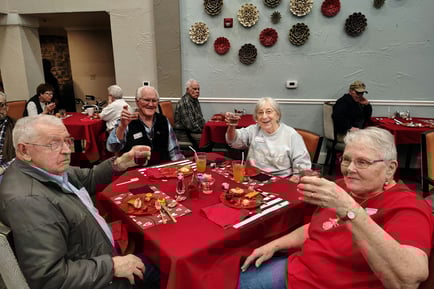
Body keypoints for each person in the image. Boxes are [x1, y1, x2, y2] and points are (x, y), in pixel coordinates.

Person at [239, 127, 433, 289]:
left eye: (362, 162)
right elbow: (316, 227)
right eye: (346, 159)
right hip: (298, 270)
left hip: (324, 284)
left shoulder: (408, 206)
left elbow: (409, 278)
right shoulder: (342, 187)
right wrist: (274, 245)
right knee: (231, 273)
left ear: (390, 168)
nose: (349, 169)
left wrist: (349, 209)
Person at [0, 114, 159, 289]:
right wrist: (112, 266)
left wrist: (121, 163)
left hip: (95, 254)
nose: (67, 150)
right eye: (54, 144)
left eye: (67, 141)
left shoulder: (44, 169)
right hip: (101, 278)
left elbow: (89, 178)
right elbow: (50, 278)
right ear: (24, 150)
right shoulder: (29, 201)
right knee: (164, 267)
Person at [225, 97, 311, 178]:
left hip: (281, 178)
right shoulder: (253, 130)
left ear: (277, 115)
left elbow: (302, 164)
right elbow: (233, 141)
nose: (264, 116)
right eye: (260, 112)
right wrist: (232, 126)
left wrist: (295, 179)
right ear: (256, 117)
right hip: (253, 176)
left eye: (269, 111)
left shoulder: (291, 135)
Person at [107, 85, 184, 165]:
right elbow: (113, 147)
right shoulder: (127, 121)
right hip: (135, 173)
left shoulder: (163, 120)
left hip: (162, 171)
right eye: (146, 100)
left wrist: (181, 168)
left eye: (154, 101)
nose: (150, 104)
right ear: (137, 102)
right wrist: (122, 127)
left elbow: (174, 151)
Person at [174, 79, 205, 147]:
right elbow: (190, 126)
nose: (197, 91)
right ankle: (203, 155)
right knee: (207, 140)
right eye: (194, 89)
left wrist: (205, 128)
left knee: (210, 136)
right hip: (184, 134)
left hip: (193, 132)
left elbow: (201, 119)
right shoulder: (185, 102)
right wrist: (204, 131)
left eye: (198, 89)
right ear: (187, 90)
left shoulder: (195, 100)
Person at [0, 92, 15, 176]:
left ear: (7, 107)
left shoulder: (17, 127)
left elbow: (22, 156)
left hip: (8, 172)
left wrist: (3, 168)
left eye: (1, 105)